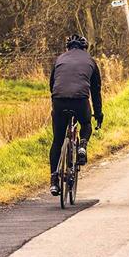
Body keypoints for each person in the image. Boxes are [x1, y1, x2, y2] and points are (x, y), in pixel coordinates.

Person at [49, 34, 103, 196]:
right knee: (86, 124)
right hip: (80, 100)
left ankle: (54, 182)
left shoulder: (59, 59)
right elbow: (95, 91)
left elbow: (52, 85)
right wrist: (98, 114)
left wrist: (57, 101)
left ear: (67, 48)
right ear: (85, 48)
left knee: (57, 141)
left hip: (59, 100)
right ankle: (82, 146)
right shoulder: (90, 61)